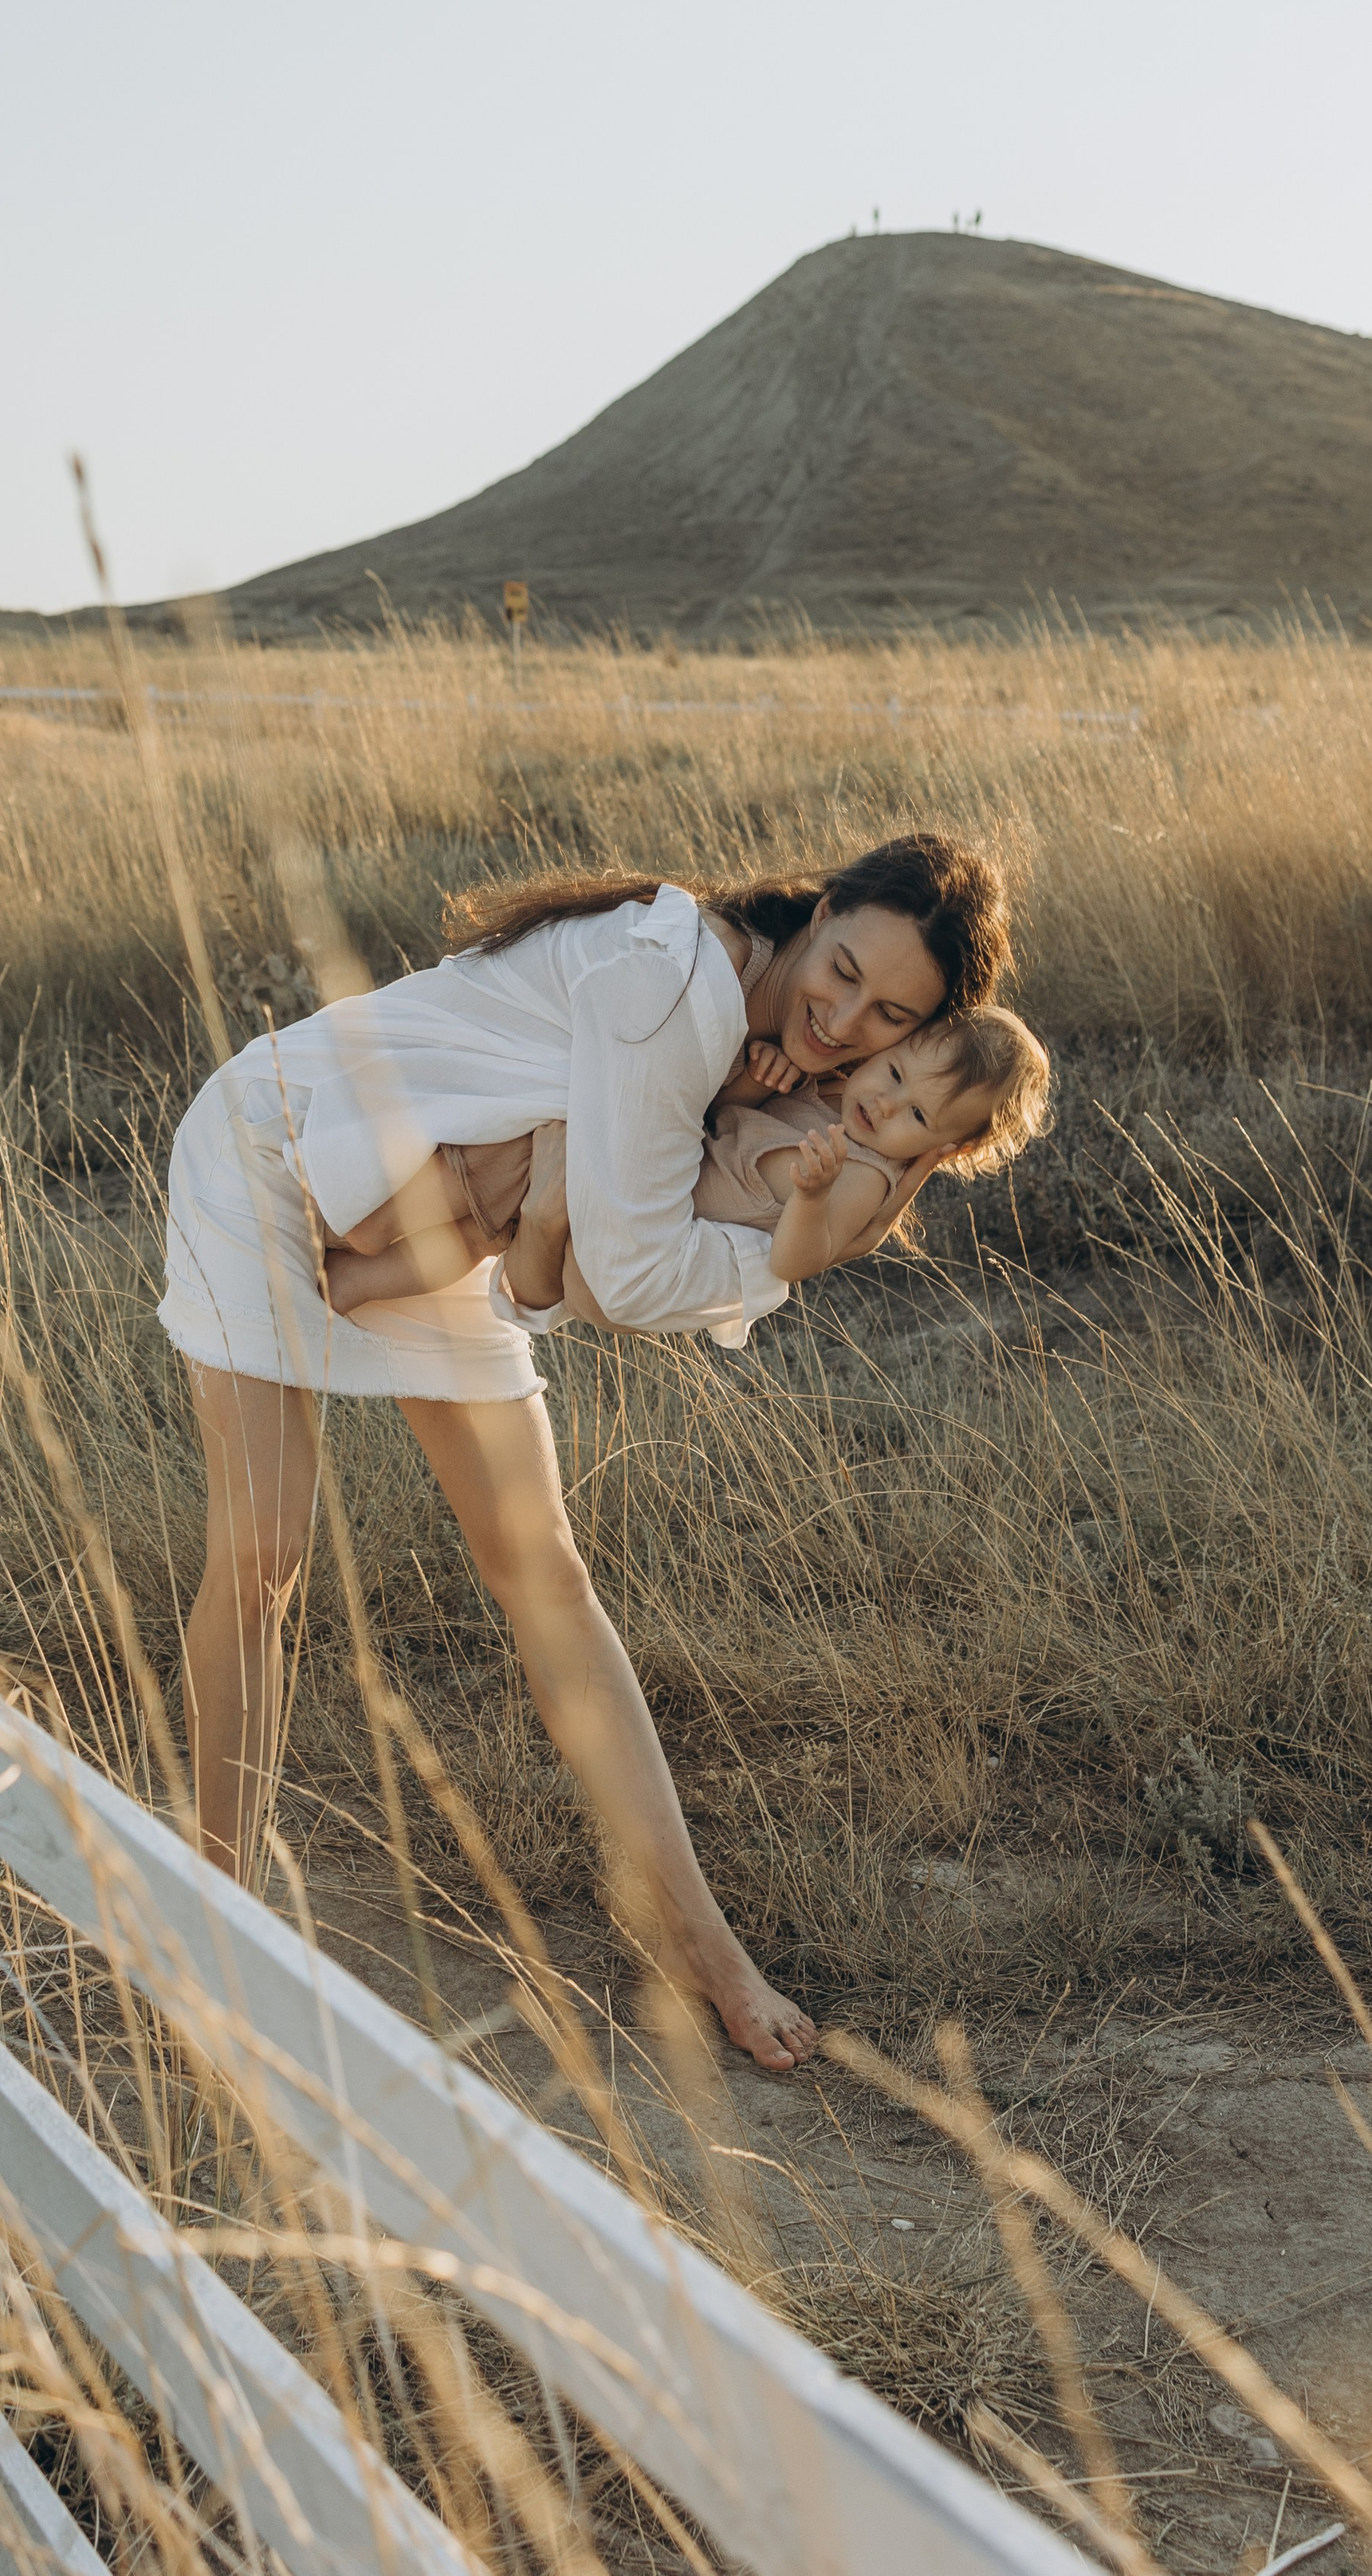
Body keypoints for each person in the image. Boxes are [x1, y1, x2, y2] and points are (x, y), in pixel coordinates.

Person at [158, 833, 1011, 2071]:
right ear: (820, 910)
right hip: (281, 1156)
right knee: (264, 1555)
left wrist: (574, 1225)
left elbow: (621, 1245)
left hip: (447, 1204)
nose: (844, 1020)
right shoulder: (674, 987)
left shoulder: (779, 1058)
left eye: (891, 1016)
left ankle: (712, 1959)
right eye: (839, 971)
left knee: (545, 1573)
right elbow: (632, 1272)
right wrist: (676, 1257)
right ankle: (210, 1930)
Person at [320, 1005, 1053, 1324]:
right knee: (492, 1222)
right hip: (655, 1167)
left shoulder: (863, 1175)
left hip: (646, 1213)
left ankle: (363, 1255)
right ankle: (354, 1261)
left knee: (493, 1211)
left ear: (947, 1149)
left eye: (918, 1117)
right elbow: (721, 1108)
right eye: (893, 1073)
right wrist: (761, 1073)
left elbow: (802, 1259)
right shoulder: (840, 1093)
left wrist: (811, 1193)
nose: (886, 1105)